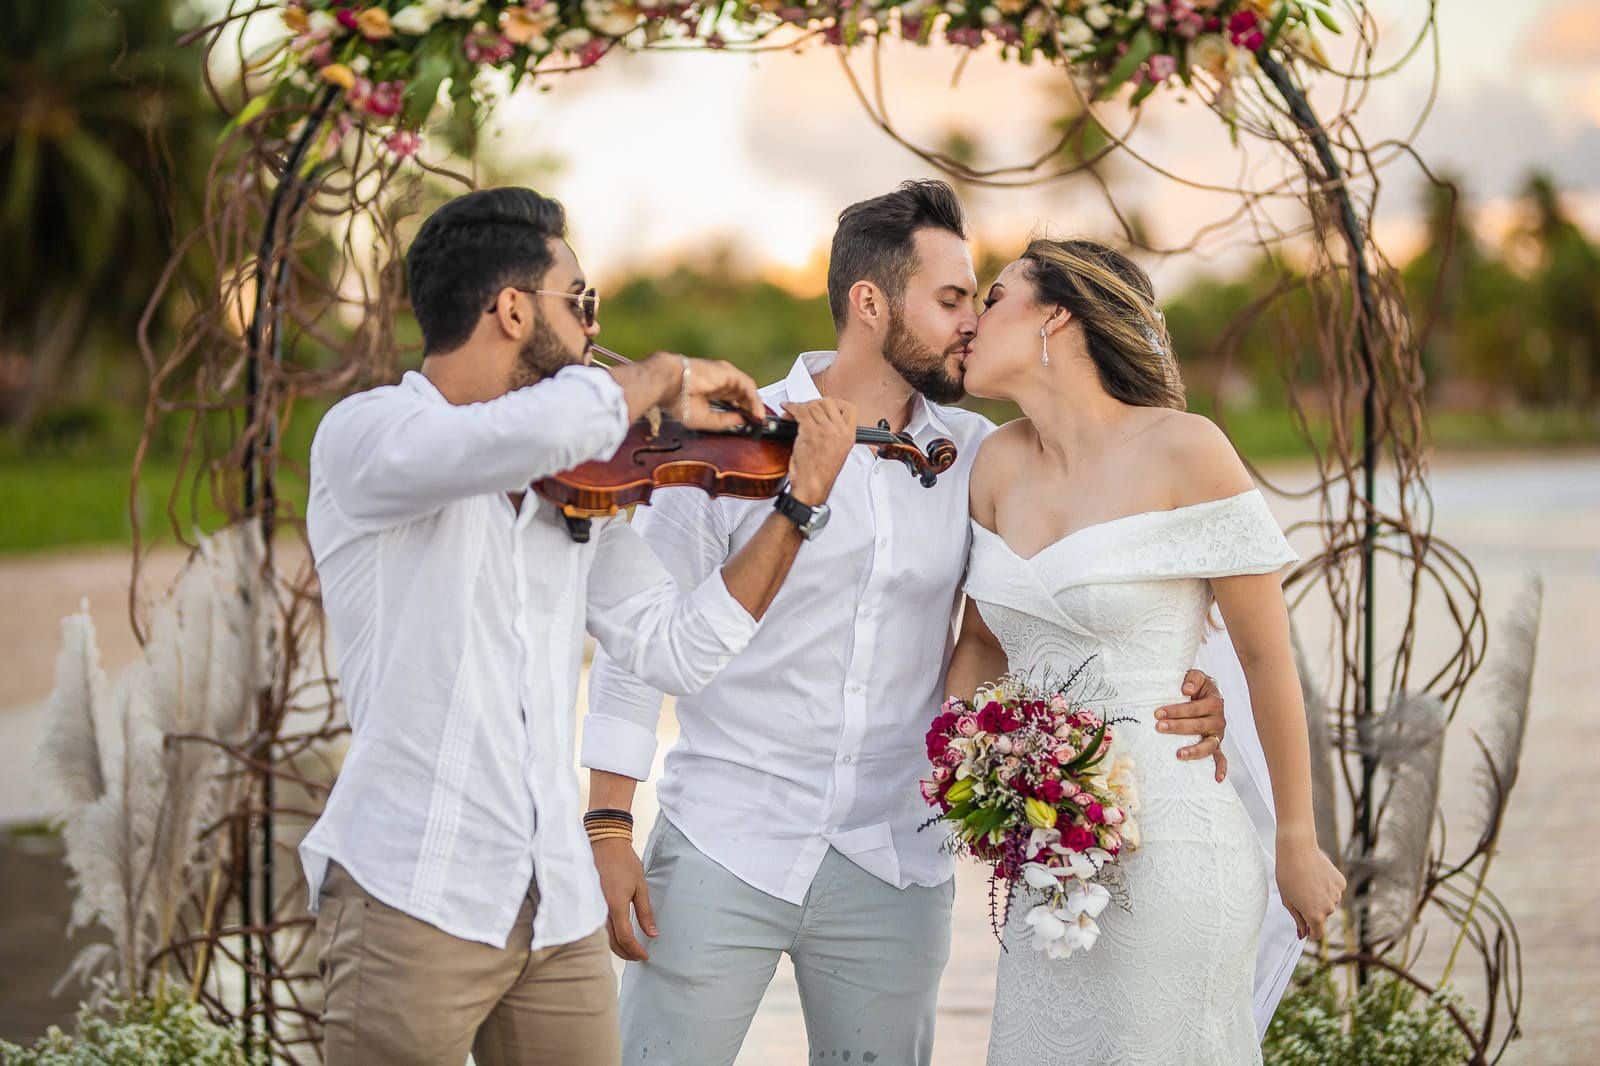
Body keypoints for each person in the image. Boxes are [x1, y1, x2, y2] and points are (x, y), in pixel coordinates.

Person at [580, 181, 1233, 1066]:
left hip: (893, 860)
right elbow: (636, 644)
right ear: (870, 303)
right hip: (724, 836)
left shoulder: (976, 455)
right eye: (953, 299)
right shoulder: (737, 436)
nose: (972, 322)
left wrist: (1182, 689)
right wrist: (609, 825)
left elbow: (1052, 600)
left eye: (978, 300)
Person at [297, 186, 857, 1066]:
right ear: (513, 309)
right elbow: (479, 445)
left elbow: (682, 646)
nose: (597, 331)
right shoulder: (369, 436)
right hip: (411, 894)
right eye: (581, 303)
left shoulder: (580, 488)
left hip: (554, 907)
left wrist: (797, 506)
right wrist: (660, 380)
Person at [950, 238, 1346, 1064]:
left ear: (1056, 313)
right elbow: (983, 643)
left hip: (1174, 841)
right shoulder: (994, 465)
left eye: (993, 296)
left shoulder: (1186, 449)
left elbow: (1269, 660)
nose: (972, 320)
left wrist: (1296, 840)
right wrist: (969, 769)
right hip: (1046, 854)